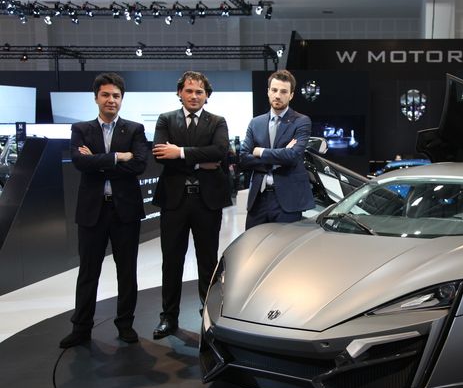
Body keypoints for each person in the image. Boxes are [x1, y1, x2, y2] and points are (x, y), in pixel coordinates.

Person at [60, 72, 148, 348]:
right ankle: (81, 328)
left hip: (125, 212)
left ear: (122, 99)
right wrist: (118, 157)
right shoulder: (81, 129)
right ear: (96, 97)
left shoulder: (134, 129)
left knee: (127, 271)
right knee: (88, 271)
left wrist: (98, 161)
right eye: (106, 95)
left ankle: (125, 324)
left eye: (116, 96)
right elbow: (79, 162)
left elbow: (139, 165)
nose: (111, 100)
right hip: (92, 211)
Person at [151, 71, 231, 339]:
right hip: (174, 201)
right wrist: (199, 161)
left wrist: (180, 152)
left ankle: (208, 316)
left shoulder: (217, 121)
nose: (194, 96)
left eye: (199, 91)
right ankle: (168, 317)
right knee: (171, 261)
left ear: (207, 96)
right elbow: (160, 154)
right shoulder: (165, 119)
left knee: (207, 261)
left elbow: (220, 152)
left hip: (207, 202)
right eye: (189, 91)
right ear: (179, 93)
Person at [240, 69, 314, 229]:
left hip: (288, 199)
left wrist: (260, 152)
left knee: (286, 244)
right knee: (253, 243)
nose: (278, 95)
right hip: (258, 199)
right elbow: (244, 158)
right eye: (274, 90)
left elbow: (293, 156)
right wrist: (281, 157)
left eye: (283, 91)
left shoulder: (301, 121)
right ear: (268, 92)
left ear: (291, 95)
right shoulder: (256, 123)